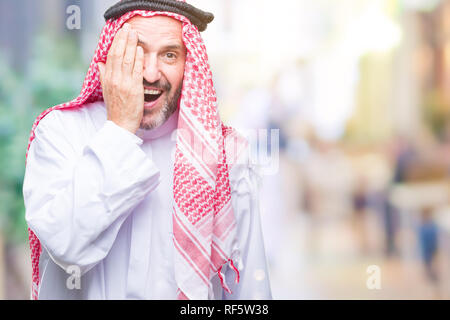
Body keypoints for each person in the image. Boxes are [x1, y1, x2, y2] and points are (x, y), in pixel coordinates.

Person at [22, 0, 271, 300]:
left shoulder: (225, 153)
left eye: (169, 54)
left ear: (188, 63)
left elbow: (248, 290)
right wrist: (120, 129)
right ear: (112, 57)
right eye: (136, 51)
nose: (151, 74)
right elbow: (66, 245)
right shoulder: (60, 133)